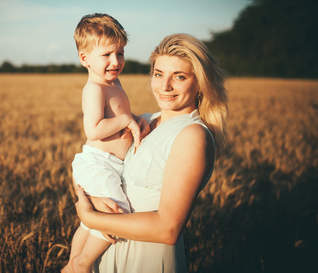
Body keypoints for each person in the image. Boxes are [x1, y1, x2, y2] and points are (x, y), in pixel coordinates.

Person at [74, 33, 228, 272]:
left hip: (145, 260)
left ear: (200, 82)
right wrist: (94, 200)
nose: (165, 86)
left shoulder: (192, 135)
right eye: (158, 74)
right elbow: (97, 163)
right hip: (107, 253)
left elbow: (168, 229)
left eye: (179, 77)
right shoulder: (145, 121)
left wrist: (90, 217)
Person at [61, 13, 150, 273]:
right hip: (99, 163)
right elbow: (94, 129)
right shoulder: (94, 89)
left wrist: (135, 120)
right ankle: (84, 262)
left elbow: (121, 116)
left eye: (120, 53)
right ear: (85, 59)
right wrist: (125, 119)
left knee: (91, 222)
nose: (115, 61)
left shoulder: (115, 83)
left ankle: (70, 265)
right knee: (116, 211)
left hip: (111, 165)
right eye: (107, 55)